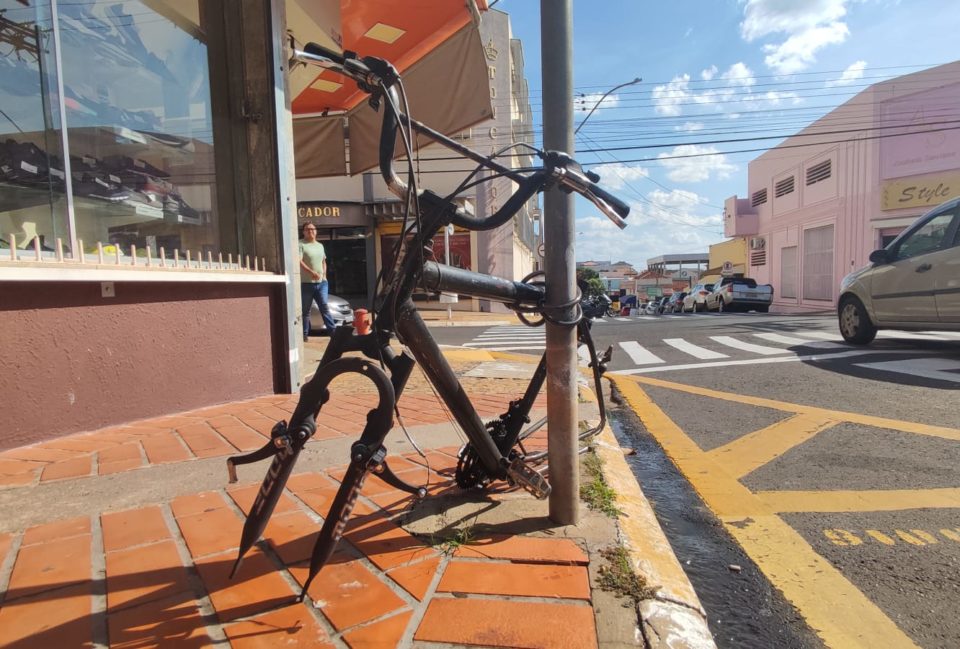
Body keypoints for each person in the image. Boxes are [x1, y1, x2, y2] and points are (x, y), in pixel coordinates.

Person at [299, 223, 335, 341]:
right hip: (306, 283)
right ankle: (304, 334)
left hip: (322, 283)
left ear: (316, 231)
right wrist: (311, 272)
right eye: (307, 229)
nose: (310, 231)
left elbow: (323, 261)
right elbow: (299, 261)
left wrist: (324, 274)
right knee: (306, 310)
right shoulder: (300, 244)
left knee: (324, 307)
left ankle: (333, 332)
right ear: (303, 232)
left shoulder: (320, 246)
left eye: (313, 229)